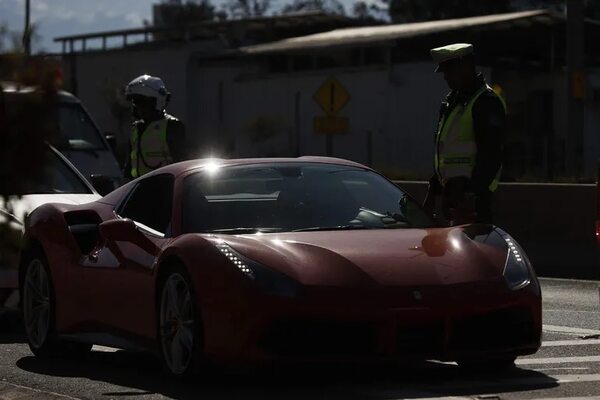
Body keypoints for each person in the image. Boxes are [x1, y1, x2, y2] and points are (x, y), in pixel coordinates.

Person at [423, 43, 506, 225]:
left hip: (474, 202)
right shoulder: (452, 102)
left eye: (449, 71)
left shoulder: (486, 101)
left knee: (474, 250)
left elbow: (491, 155)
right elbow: (446, 152)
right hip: (453, 198)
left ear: (466, 67)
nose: (445, 78)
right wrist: (435, 188)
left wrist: (471, 194)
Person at [124, 74, 186, 179]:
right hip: (138, 187)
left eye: (143, 103)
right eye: (136, 103)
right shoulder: (136, 128)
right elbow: (130, 165)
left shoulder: (172, 126)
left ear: (156, 102)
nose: (139, 108)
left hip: (164, 187)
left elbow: (182, 163)